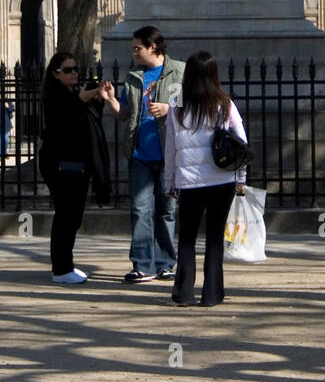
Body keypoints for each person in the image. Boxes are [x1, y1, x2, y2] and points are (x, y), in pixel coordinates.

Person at [99, 27, 185, 284]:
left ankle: (165, 262)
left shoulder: (178, 71)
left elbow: (191, 108)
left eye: (138, 47)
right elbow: (126, 113)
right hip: (139, 153)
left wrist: (170, 108)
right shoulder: (134, 75)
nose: (134, 52)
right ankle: (142, 264)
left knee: (167, 209)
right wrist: (112, 101)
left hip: (169, 152)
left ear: (154, 47)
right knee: (140, 209)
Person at [163, 51, 247, 308]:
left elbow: (170, 149)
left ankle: (184, 292)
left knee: (187, 237)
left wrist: (169, 181)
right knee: (214, 239)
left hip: (189, 182)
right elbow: (241, 143)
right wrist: (241, 177)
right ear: (214, 75)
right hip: (221, 179)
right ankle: (212, 294)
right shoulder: (224, 104)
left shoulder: (177, 104)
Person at [38, 52, 111, 285]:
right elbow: (64, 120)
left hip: (77, 163)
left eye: (75, 68)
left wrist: (97, 98)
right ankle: (61, 268)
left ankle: (65, 265)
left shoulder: (74, 92)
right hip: (60, 164)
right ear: (55, 74)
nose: (74, 73)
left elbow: (88, 119)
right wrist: (85, 98)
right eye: (68, 70)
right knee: (66, 216)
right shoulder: (54, 95)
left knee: (73, 216)